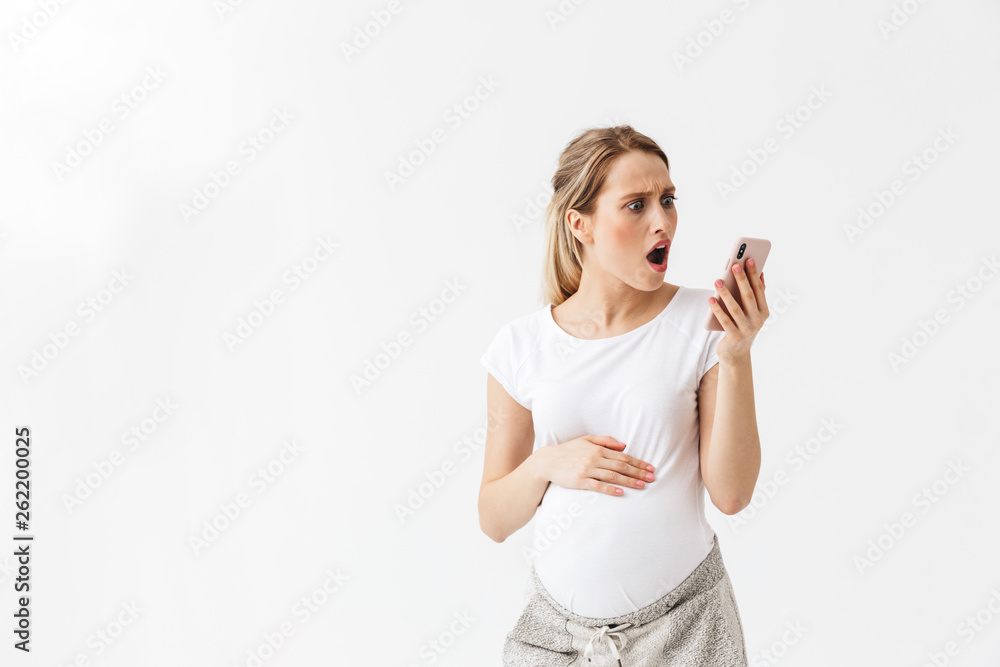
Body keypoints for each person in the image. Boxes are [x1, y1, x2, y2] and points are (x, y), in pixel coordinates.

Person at [478, 125, 769, 666]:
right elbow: (494, 518)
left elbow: (731, 494)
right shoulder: (520, 346)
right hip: (557, 639)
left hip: (686, 629)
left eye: (668, 200)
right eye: (636, 205)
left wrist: (736, 355)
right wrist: (548, 464)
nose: (663, 222)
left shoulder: (702, 324)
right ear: (579, 224)